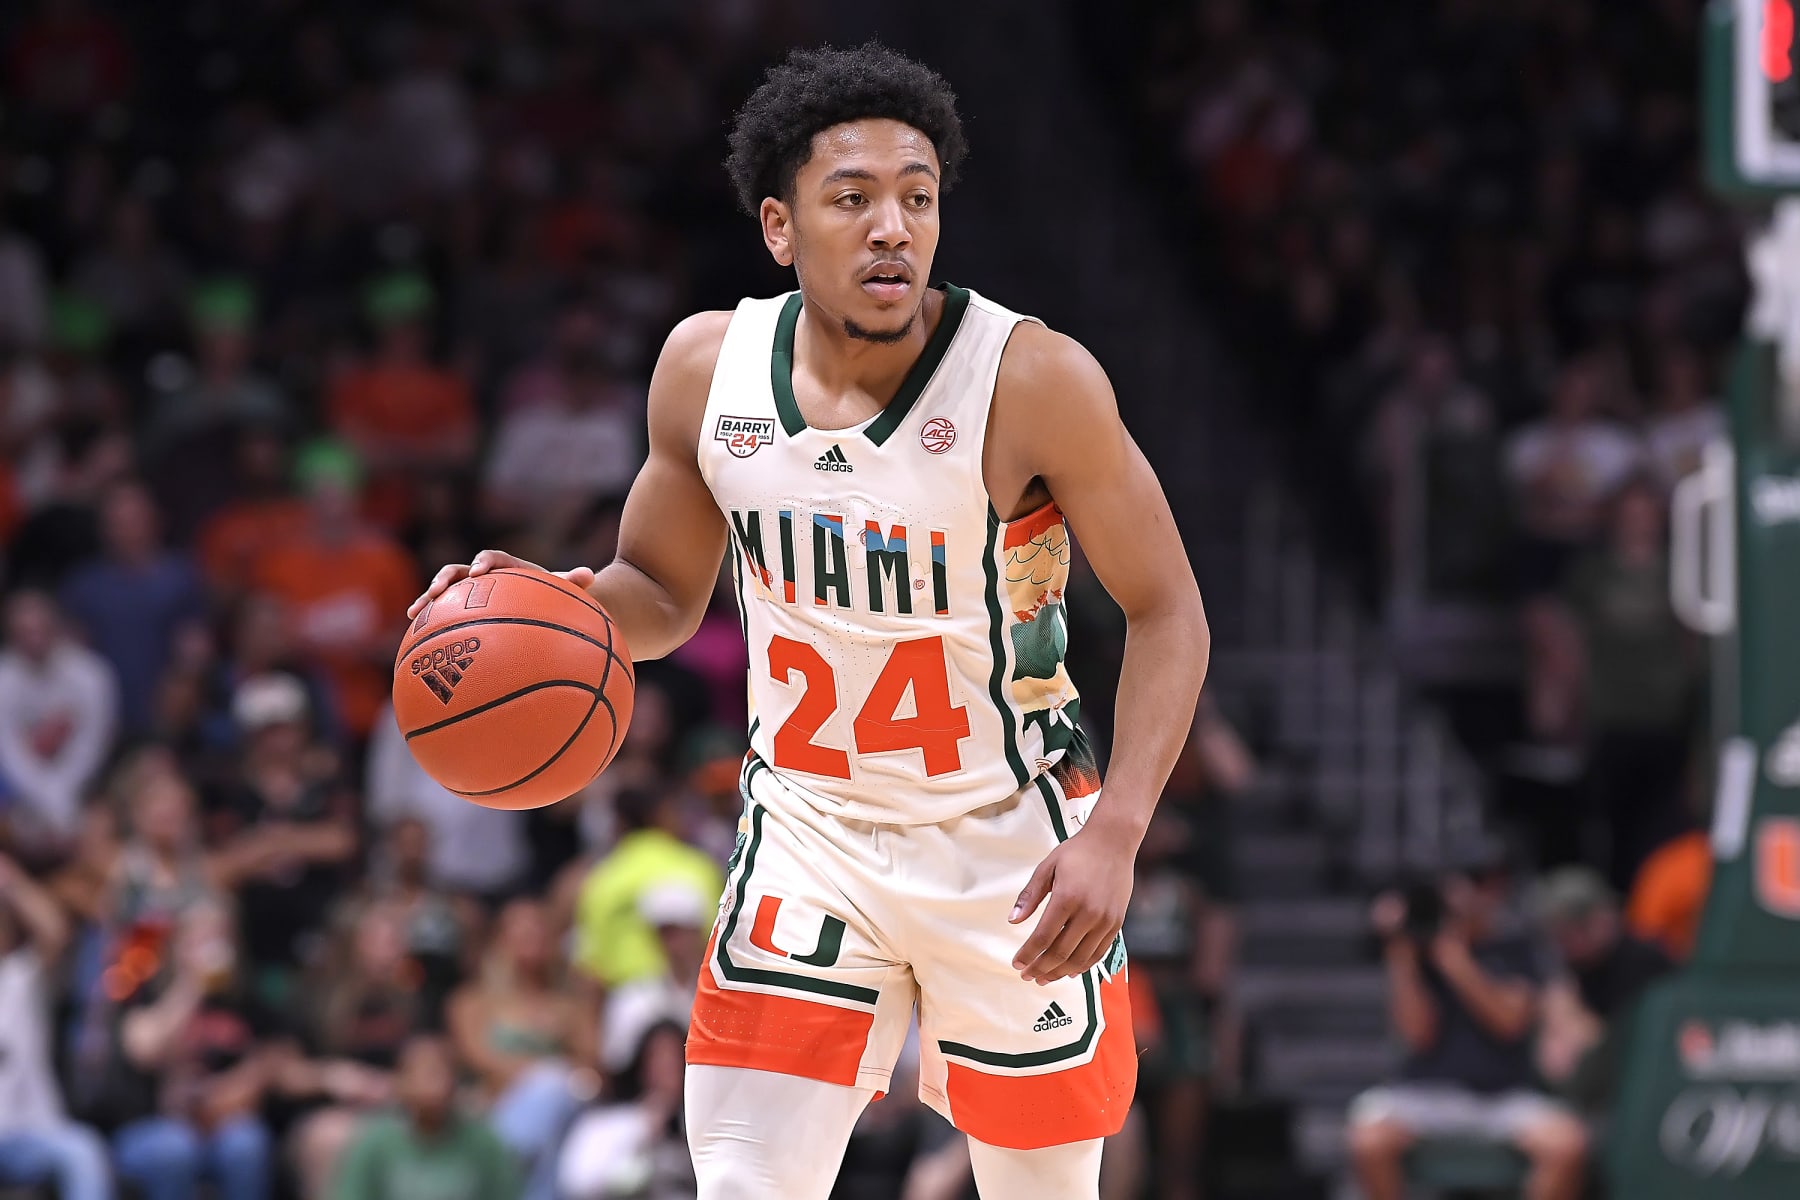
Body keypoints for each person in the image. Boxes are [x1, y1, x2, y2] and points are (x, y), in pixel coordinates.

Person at [412, 42, 1209, 1199]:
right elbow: (661, 594)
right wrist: (558, 609)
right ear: (780, 228)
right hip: (811, 834)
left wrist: (1119, 831)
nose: (894, 227)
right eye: (854, 199)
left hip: (1008, 841)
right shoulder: (705, 372)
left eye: (918, 198)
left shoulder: (1033, 380)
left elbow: (1168, 606)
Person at [1346, 862, 1587, 1200]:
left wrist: (1455, 960)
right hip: (1426, 1093)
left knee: (1567, 1145)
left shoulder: (1516, 948)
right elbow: (1416, 1035)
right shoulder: (1417, 952)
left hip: (1502, 1097)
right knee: (1368, 1140)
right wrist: (1400, 954)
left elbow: (1509, 1023)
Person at [446, 899, 586, 1200]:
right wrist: (540, 1069)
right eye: (520, 929)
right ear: (500, 940)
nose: (530, 935)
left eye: (538, 928)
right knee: (550, 1083)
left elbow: (592, 1067)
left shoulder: (568, 1006)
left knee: (555, 1098)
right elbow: (477, 1059)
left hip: (562, 1118)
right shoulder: (473, 1001)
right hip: (493, 1110)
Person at [0, 852, 114, 1200]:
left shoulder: (19, 979)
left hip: (29, 1134)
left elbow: (54, 930)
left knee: (83, 1151)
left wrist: (9, 878)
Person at [1533, 867, 1675, 1114]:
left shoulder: (1644, 961)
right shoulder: (1568, 967)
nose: (1565, 942)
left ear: (1603, 918)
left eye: (1573, 930)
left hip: (1638, 1091)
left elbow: (1635, 1042)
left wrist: (1581, 1027)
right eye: (1559, 933)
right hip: (1579, 1097)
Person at [332, 1034, 520, 1200]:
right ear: (401, 1083)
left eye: (438, 1073)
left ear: (455, 1082)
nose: (430, 1085)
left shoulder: (483, 1143)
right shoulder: (375, 1142)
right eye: (420, 1074)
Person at [0, 587, 117, 854]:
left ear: (57, 627)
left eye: (40, 629)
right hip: (20, 799)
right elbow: (8, 753)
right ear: (10, 634)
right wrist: (50, 801)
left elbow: (92, 746)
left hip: (86, 789)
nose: (34, 639)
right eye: (24, 632)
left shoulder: (91, 673)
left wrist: (62, 797)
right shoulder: (3, 678)